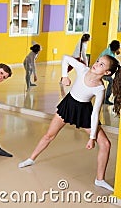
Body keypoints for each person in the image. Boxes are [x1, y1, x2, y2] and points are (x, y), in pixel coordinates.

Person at [18, 54, 121, 192]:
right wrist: (64, 75)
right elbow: (65, 58)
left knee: (106, 144)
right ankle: (31, 159)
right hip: (68, 105)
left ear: (107, 73)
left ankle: (99, 179)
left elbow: (95, 113)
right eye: (98, 61)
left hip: (84, 112)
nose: (96, 64)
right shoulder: (83, 69)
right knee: (49, 135)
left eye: (102, 65)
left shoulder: (99, 88)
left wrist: (92, 138)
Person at [97, 40, 120, 105]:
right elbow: (109, 67)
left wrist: (116, 51)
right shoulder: (109, 55)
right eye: (119, 47)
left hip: (99, 67)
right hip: (100, 71)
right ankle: (106, 98)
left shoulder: (109, 49)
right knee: (111, 81)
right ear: (116, 48)